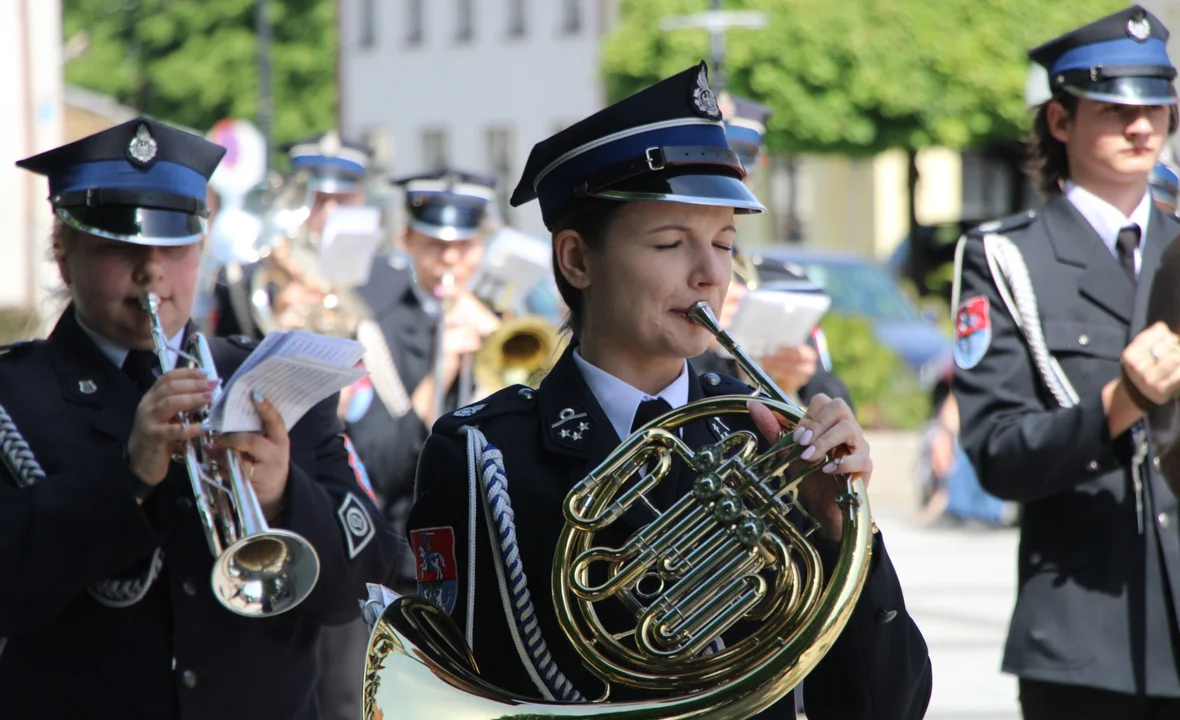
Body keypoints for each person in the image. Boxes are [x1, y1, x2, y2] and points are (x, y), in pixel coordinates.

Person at [406, 62, 931, 719]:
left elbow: (884, 706)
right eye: (670, 243)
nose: (711, 273)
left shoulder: (763, 437)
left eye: (724, 242)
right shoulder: (487, 456)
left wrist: (839, 525)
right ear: (576, 260)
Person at [0, 118, 395, 719]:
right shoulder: (13, 397)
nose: (152, 270)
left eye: (175, 245)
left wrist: (287, 497)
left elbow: (367, 586)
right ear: (63, 252)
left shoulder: (280, 380)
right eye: (120, 246)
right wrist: (125, 478)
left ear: (201, 248)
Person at [953, 6, 1180, 717]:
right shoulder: (1006, 259)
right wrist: (1122, 404)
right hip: (1087, 638)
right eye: (1114, 110)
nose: (1141, 128)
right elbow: (997, 452)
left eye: (1156, 109)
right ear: (1060, 122)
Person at [689, 93, 853, 408]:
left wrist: (800, 380)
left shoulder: (783, 283)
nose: (724, 190)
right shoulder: (664, 278)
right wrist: (700, 338)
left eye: (738, 173)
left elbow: (842, 412)